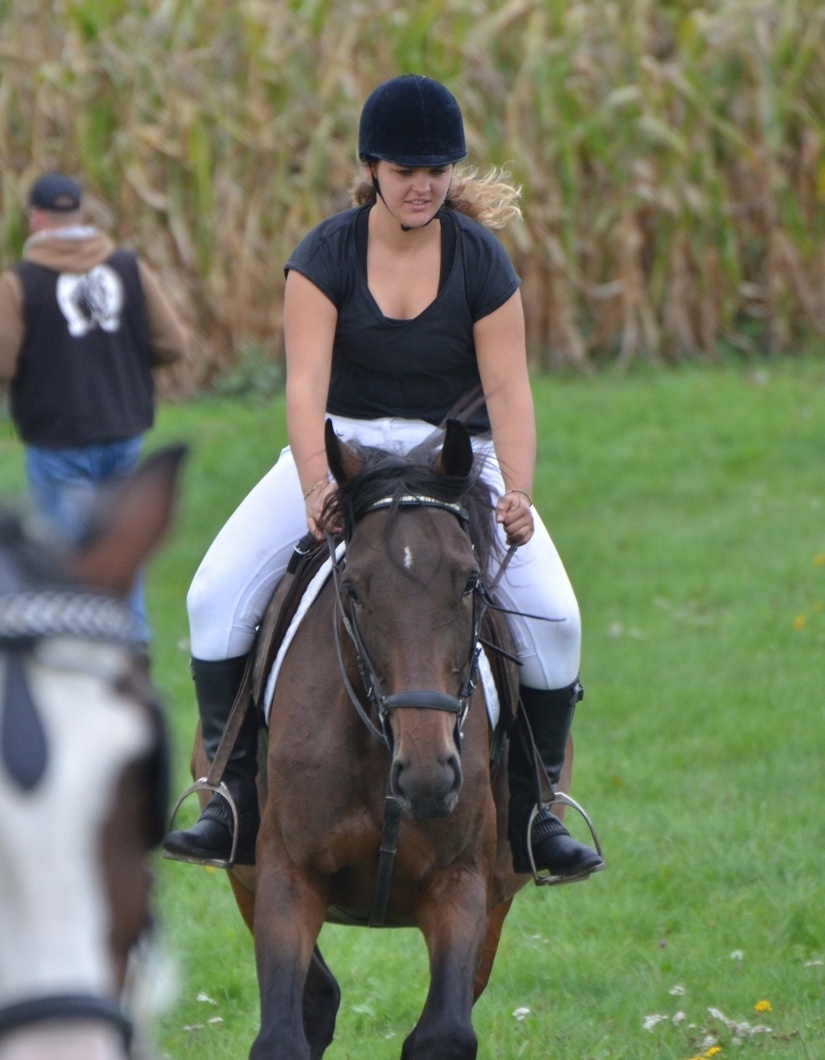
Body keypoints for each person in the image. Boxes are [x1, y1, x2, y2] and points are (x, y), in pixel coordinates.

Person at [164, 75, 603, 882]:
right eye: (406, 170)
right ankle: (229, 801)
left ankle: (538, 815)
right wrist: (310, 484)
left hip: (456, 456)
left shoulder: (481, 260)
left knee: (560, 620)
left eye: (436, 169)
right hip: (344, 449)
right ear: (373, 167)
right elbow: (304, 385)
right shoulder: (325, 254)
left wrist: (521, 493)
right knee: (210, 596)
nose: (422, 185)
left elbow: (509, 389)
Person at [0, 173, 190, 644]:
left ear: (35, 218)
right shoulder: (128, 267)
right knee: (121, 549)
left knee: (67, 563)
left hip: (59, 441)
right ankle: (134, 646)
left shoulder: (20, 281)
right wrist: (121, 351)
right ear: (83, 216)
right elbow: (173, 343)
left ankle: (82, 655)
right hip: (124, 433)